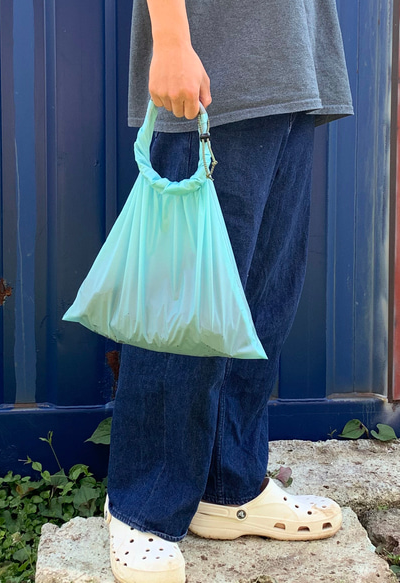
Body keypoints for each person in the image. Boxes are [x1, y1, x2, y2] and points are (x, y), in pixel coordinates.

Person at [104, 1, 354, 582]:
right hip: (215, 65)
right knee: (183, 309)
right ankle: (142, 508)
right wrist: (169, 39)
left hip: (293, 66)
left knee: (263, 304)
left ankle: (230, 487)